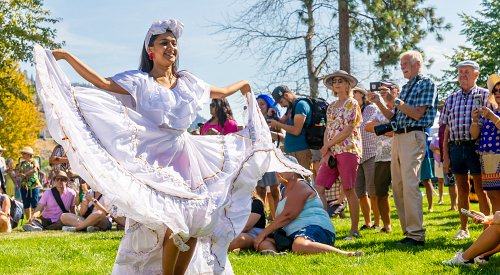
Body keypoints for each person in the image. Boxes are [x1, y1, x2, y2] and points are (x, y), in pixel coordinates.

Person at [34, 19, 308, 274]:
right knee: (173, 223)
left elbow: (222, 92)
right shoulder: (140, 82)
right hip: (154, 158)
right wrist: (68, 58)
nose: (171, 47)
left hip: (188, 158)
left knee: (195, 223)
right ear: (151, 50)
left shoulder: (187, 82)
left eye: (174, 43)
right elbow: (102, 83)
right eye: (164, 42)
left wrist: (245, 85)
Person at [371, 50, 438, 246]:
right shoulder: (407, 86)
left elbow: (417, 114)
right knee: (398, 187)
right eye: (401, 65)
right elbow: (395, 117)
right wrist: (381, 103)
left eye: (405, 63)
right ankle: (408, 232)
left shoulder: (426, 83)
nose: (402, 67)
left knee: (409, 185)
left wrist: (395, 100)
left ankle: (417, 234)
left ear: (417, 63)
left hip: (414, 135)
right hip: (399, 136)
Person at [253, 156, 362, 257]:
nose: (278, 171)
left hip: (315, 226)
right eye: (277, 168)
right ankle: (275, 254)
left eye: (283, 167)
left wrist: (263, 233)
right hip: (292, 232)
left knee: (299, 245)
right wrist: (264, 236)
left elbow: (288, 215)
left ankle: (346, 254)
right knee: (265, 241)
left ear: (294, 172)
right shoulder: (284, 190)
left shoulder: (300, 185)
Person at [441, 60, 491, 240]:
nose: (463, 75)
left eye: (467, 71)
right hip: (456, 146)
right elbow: (446, 130)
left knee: (481, 188)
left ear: (476, 74)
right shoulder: (451, 98)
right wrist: (445, 156)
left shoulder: (485, 95)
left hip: (477, 147)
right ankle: (464, 228)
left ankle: (487, 228)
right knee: (461, 188)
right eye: (460, 72)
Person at [315, 70, 363, 240]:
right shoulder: (331, 106)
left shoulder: (352, 103)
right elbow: (328, 128)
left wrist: (328, 144)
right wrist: (326, 149)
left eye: (340, 81)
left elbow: (348, 129)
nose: (336, 83)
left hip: (348, 149)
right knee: (319, 187)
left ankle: (354, 229)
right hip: (332, 152)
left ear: (348, 84)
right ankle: (323, 226)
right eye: (334, 81)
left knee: (349, 189)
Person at [366, 81, 400, 233]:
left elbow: (400, 130)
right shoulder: (379, 109)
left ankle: (407, 224)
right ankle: (387, 226)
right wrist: (388, 129)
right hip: (381, 156)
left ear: (397, 91)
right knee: (380, 193)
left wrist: (380, 128)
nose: (384, 92)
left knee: (402, 191)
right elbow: (367, 126)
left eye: (388, 89)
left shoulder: (402, 107)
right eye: (382, 90)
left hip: (399, 154)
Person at [470, 74, 500, 212]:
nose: (498, 93)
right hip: (488, 160)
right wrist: (475, 120)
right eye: (495, 91)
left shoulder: (491, 114)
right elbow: (474, 134)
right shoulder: (491, 112)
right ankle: (496, 228)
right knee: (492, 195)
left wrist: (491, 117)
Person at [353, 86, 380, 230]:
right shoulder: (351, 109)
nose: (352, 95)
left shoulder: (371, 109)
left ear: (362, 95)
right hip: (357, 154)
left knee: (372, 191)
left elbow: (365, 126)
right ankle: (368, 222)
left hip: (371, 153)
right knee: (360, 192)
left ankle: (377, 222)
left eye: (354, 93)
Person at [269, 85, 312, 170]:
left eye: (281, 102)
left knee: (303, 180)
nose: (281, 106)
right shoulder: (290, 108)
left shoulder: (300, 105)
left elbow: (296, 130)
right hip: (290, 151)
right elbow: (281, 122)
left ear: (286, 95)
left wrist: (278, 124)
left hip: (300, 150)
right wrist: (274, 115)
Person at [255, 94, 283, 220]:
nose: (259, 106)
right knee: (259, 190)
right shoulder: (253, 120)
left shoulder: (274, 119)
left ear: (268, 105)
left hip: (272, 156)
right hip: (257, 157)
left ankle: (278, 218)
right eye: (257, 104)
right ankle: (262, 218)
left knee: (275, 189)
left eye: (262, 104)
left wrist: (269, 132)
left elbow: (283, 137)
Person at [16, 146, 42, 222]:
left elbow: (35, 169)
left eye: (24, 153)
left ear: (28, 154)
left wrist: (25, 174)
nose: (22, 155)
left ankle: (35, 221)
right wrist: (19, 174)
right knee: (26, 203)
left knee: (34, 203)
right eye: (22, 153)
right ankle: (29, 221)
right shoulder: (21, 163)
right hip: (24, 185)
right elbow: (17, 172)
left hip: (34, 185)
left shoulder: (34, 161)